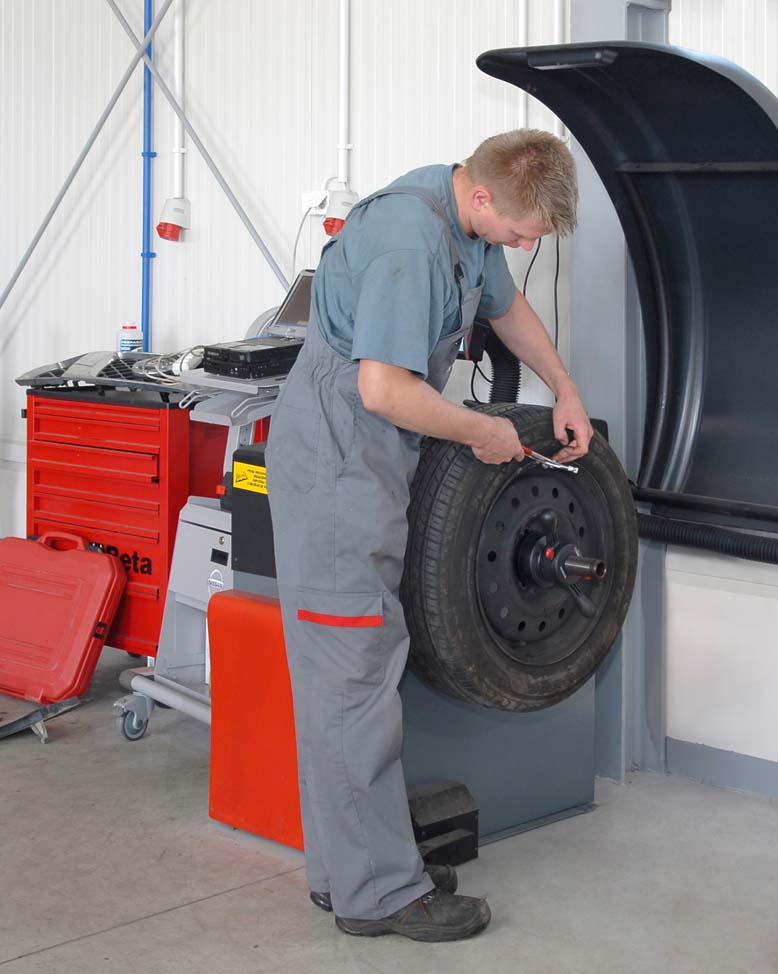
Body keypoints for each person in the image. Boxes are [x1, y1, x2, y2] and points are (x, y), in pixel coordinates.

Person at [265, 129, 591, 943]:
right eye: (519, 232)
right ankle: (379, 894)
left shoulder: (463, 215)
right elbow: (383, 390)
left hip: (368, 454)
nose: (522, 246)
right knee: (353, 672)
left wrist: (564, 387)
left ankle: (348, 869)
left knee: (345, 674)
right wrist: (482, 431)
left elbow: (505, 307)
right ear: (482, 196)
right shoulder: (410, 243)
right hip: (340, 459)